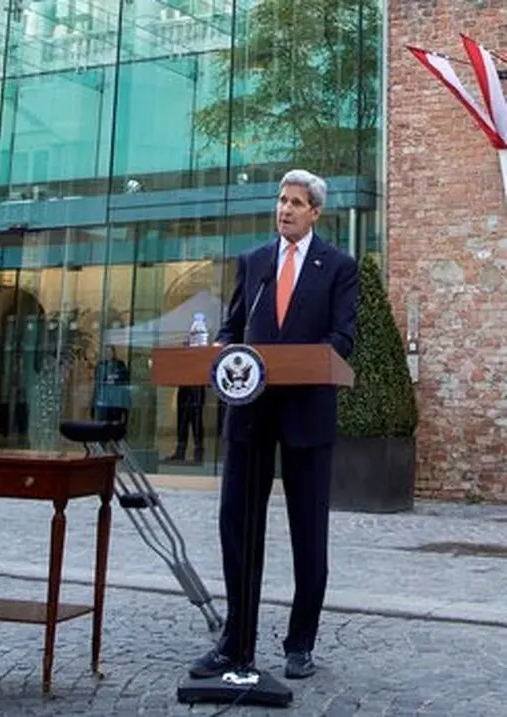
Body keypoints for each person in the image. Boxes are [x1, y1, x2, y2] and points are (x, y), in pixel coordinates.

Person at [189, 169, 358, 681]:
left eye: (296, 202)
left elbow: (342, 339)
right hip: (251, 411)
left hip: (307, 412)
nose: (285, 209)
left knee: (309, 531)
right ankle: (236, 640)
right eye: (281, 200)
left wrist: (301, 361)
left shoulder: (340, 267)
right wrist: (219, 347)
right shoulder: (255, 262)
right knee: (238, 524)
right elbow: (232, 324)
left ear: (315, 212)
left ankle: (299, 642)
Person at [93, 345, 131, 429]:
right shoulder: (100, 365)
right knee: (103, 420)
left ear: (113, 353)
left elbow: (124, 377)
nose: (108, 354)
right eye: (106, 352)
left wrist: (113, 378)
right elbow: (98, 380)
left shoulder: (120, 364)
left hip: (116, 398)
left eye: (110, 352)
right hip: (104, 398)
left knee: (115, 419)